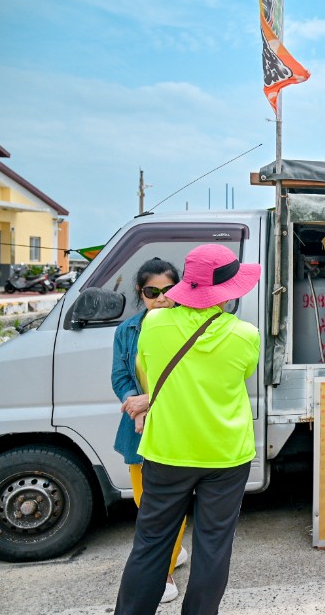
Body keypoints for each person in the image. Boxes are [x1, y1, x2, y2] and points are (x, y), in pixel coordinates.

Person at [113, 244, 261, 615]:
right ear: (228, 291)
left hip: (168, 450)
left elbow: (147, 379)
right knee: (214, 547)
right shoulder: (246, 334)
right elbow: (241, 376)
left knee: (151, 544)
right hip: (226, 455)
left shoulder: (153, 324)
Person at [110, 258, 188, 603]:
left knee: (172, 504)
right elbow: (120, 376)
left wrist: (151, 402)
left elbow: (190, 379)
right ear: (140, 293)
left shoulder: (188, 326)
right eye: (151, 291)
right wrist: (133, 402)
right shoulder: (127, 330)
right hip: (138, 429)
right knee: (148, 506)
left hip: (177, 424)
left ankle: (165, 571)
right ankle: (170, 558)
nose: (160, 297)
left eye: (168, 290)